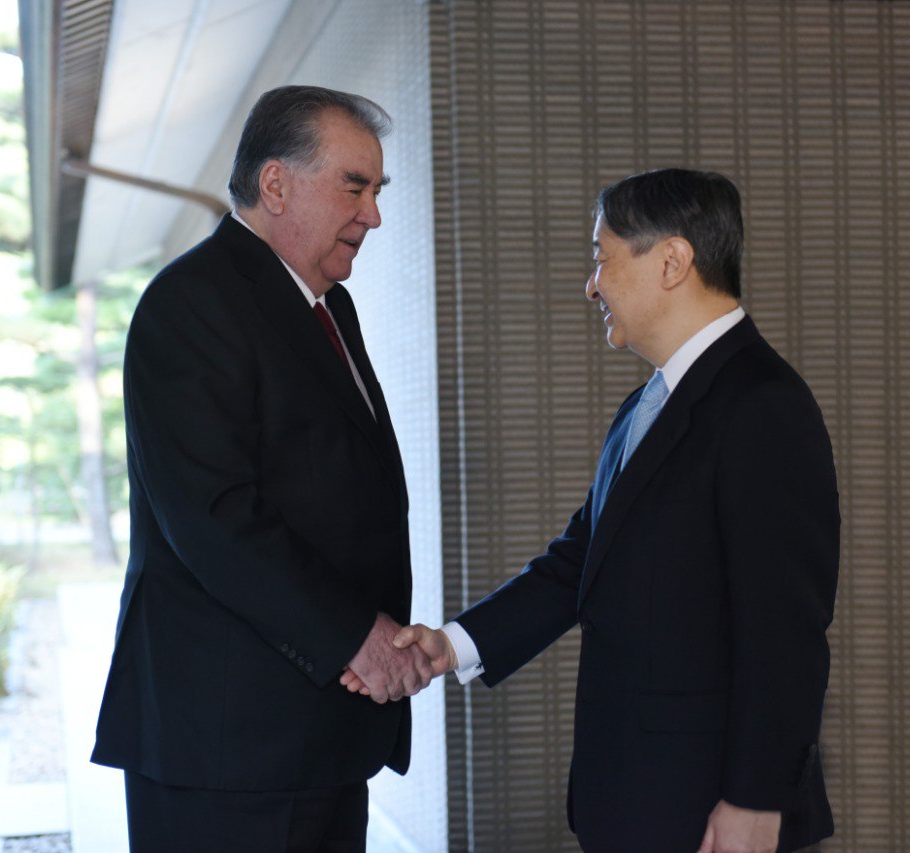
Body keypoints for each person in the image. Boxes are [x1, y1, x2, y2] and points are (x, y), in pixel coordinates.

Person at [356, 169, 840, 852]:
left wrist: (756, 800)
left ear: (672, 261)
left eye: (602, 257)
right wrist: (451, 645)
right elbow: (580, 562)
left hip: (711, 810)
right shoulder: (646, 406)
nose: (592, 285)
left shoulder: (764, 405)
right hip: (637, 800)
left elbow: (786, 632)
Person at [92, 85, 433, 852]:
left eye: (377, 191)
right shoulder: (191, 302)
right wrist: (359, 638)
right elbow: (214, 518)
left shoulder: (327, 305)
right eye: (355, 187)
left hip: (321, 737)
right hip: (227, 749)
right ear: (276, 183)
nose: (373, 215)